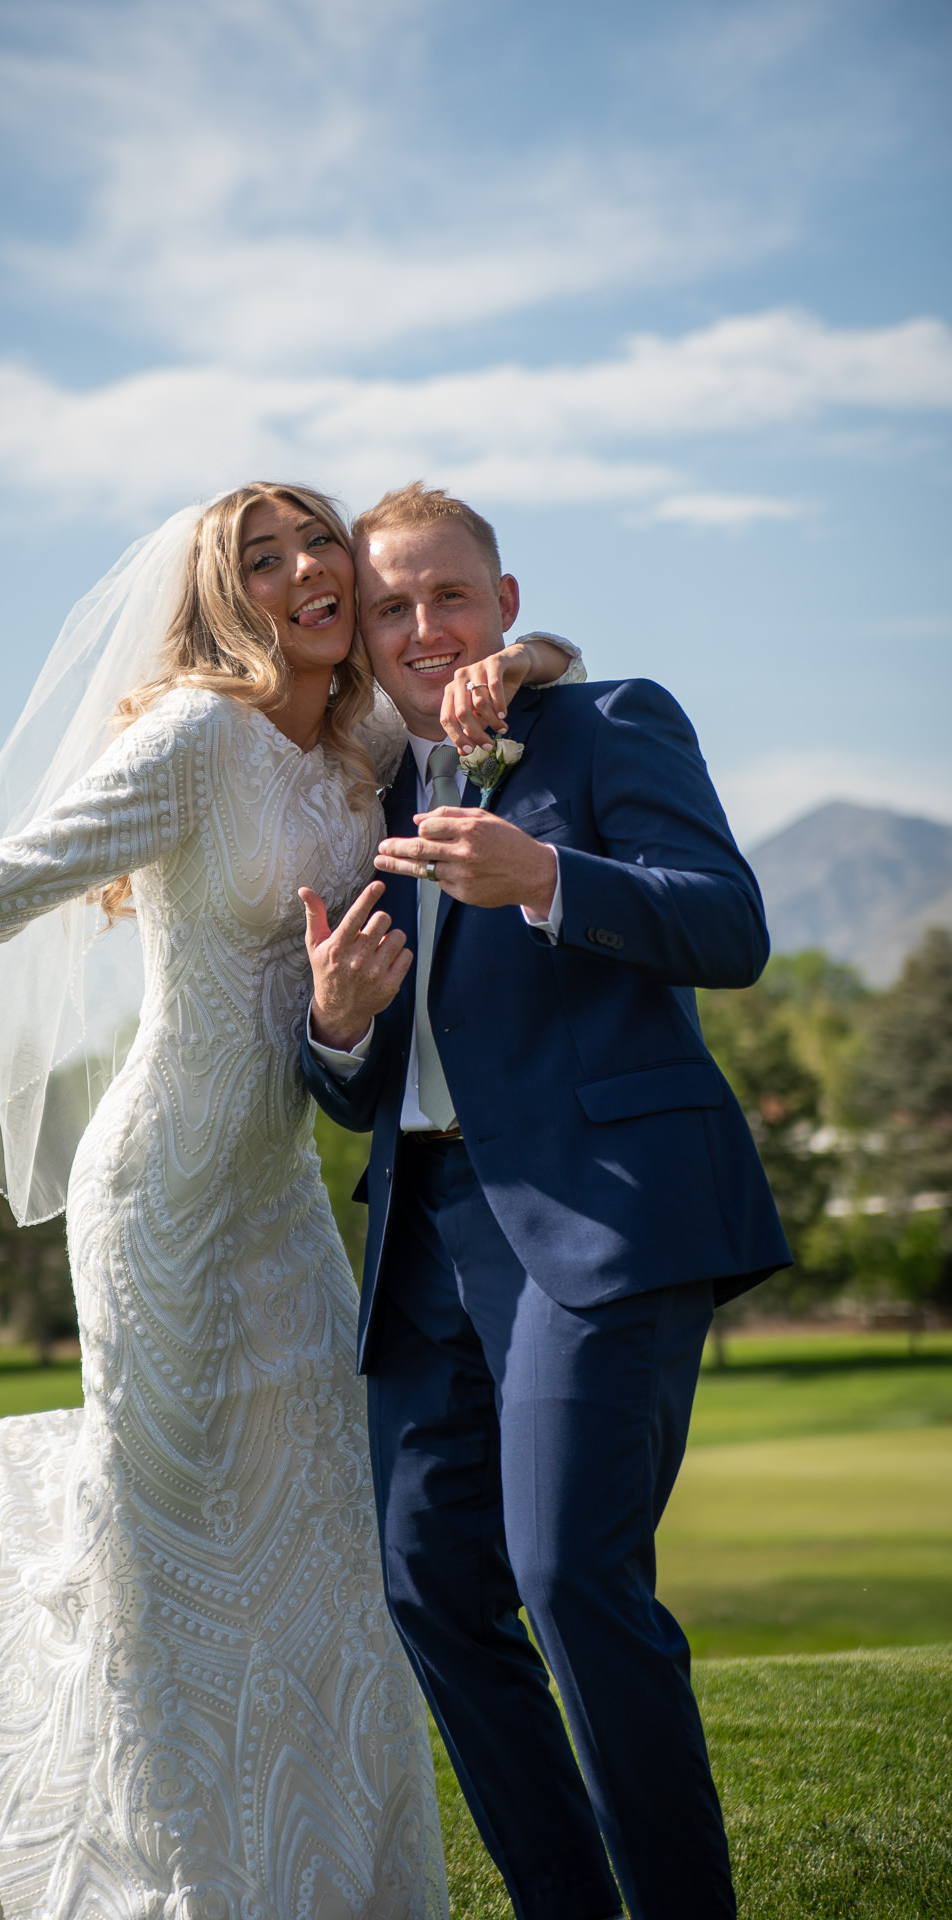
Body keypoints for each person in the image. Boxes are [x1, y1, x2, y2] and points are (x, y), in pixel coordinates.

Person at [0, 481, 580, 1920]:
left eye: (315, 543)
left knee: (324, 1553)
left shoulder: (368, 750)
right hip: (157, 1199)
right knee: (170, 1562)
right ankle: (186, 1889)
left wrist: (516, 662)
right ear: (226, 601)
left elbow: (512, 669)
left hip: (281, 1205)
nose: (305, 573)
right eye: (260, 560)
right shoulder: (193, 741)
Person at [300, 484, 792, 1920]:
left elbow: (729, 924)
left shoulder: (604, 719)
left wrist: (548, 878)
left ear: (504, 605)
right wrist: (332, 1026)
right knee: (430, 1594)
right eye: (388, 607)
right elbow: (355, 1079)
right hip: (422, 1244)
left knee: (570, 1575)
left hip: (605, 1214)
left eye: (447, 595)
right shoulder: (366, 796)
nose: (419, 626)